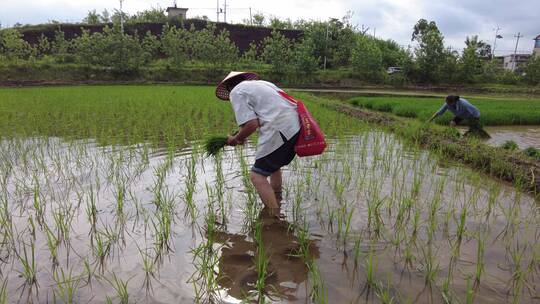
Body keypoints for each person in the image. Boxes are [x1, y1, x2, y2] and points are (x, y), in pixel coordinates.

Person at [215, 71, 300, 215]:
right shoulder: (263, 84)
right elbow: (260, 118)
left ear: (229, 88)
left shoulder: (236, 92)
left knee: (257, 176)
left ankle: (274, 217)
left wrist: (235, 140)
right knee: (274, 166)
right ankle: (277, 198)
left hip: (279, 129)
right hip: (295, 126)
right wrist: (241, 136)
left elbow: (251, 124)